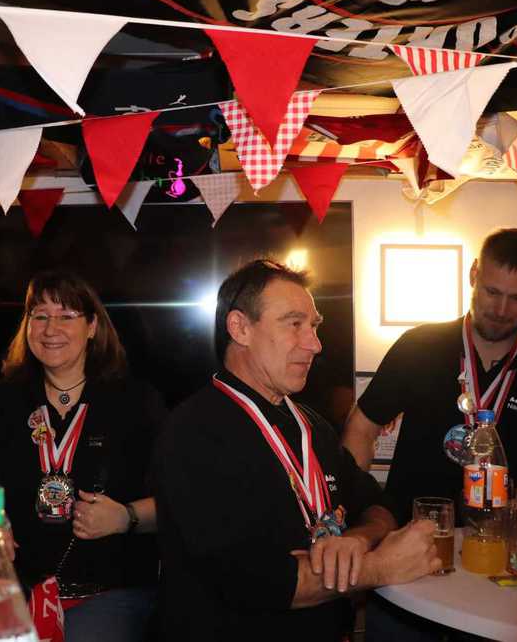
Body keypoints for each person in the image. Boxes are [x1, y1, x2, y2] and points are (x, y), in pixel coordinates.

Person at [154, 259, 440, 641]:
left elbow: (379, 505)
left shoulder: (311, 425)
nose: (315, 344)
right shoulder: (193, 432)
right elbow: (256, 581)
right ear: (240, 328)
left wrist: (355, 540)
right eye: (294, 324)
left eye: (314, 326)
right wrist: (377, 567)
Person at [342, 229, 517, 642]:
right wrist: (356, 512)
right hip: (407, 557)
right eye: (491, 292)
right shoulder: (419, 346)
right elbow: (361, 428)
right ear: (473, 274)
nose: (501, 310)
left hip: (499, 570)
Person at [0, 270, 166, 642]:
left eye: (66, 315)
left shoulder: (137, 402)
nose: (50, 328)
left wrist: (126, 516)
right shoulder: (3, 399)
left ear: (92, 327)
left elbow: (178, 502)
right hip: (15, 587)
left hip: (109, 592)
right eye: (39, 315)